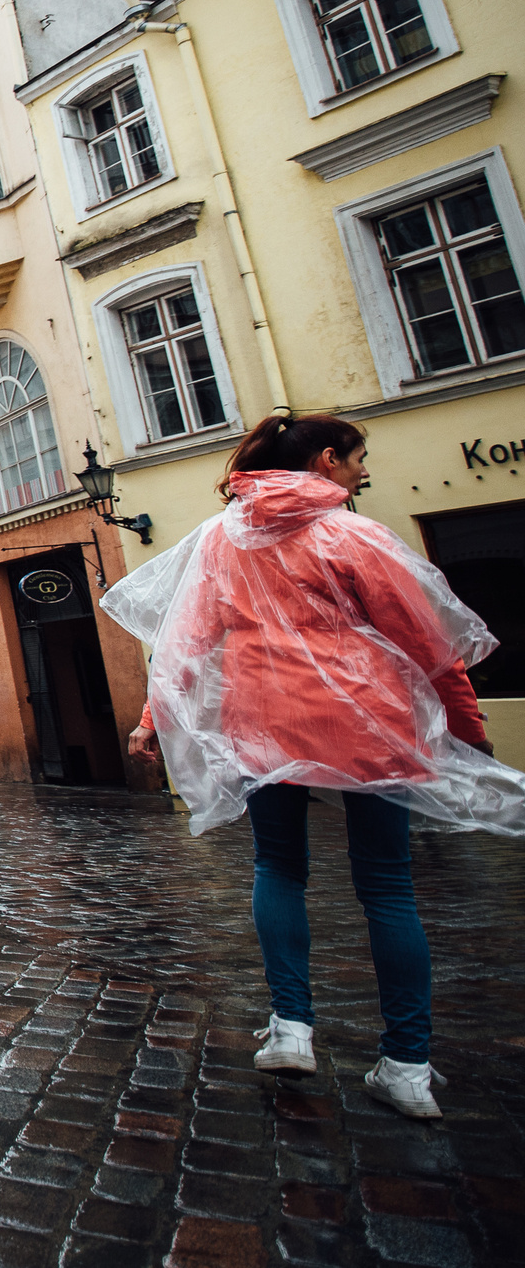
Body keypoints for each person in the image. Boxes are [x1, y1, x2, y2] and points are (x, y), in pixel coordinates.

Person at [105, 415, 523, 1122]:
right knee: (388, 887)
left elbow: (185, 643)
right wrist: (466, 728)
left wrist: (152, 721)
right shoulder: (353, 534)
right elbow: (427, 643)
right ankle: (406, 1064)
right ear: (327, 460)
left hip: (263, 728)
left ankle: (292, 1027)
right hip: (366, 724)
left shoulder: (221, 539)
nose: (364, 472)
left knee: (279, 869)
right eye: (359, 459)